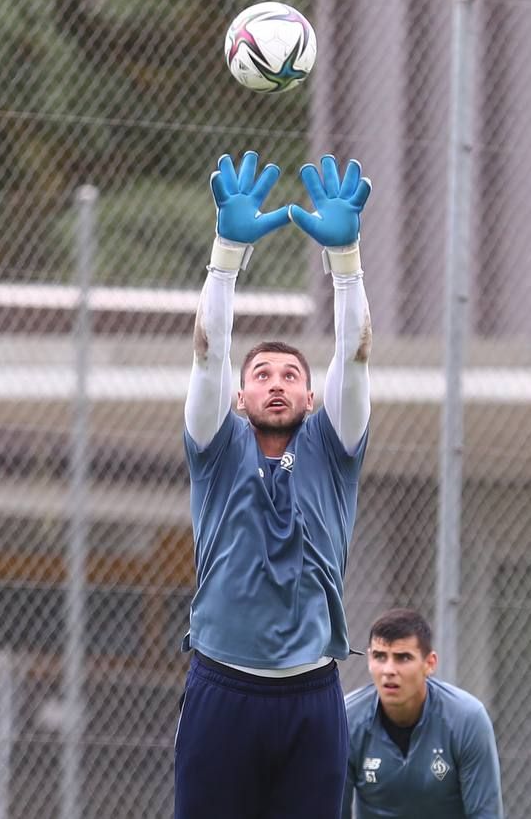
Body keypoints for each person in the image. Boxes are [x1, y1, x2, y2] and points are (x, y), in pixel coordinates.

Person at [174, 150, 373, 819]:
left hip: (309, 695)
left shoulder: (331, 446)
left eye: (291, 374)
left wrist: (344, 265)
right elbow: (207, 348)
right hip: (220, 689)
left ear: (312, 398)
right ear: (238, 396)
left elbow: (354, 353)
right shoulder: (216, 446)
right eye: (261, 373)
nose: (277, 382)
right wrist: (225, 252)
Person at [343, 608, 504, 818]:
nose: (389, 670)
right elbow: (332, 810)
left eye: (403, 658)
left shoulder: (467, 719)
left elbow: (485, 814)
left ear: (430, 664)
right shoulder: (346, 720)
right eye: (380, 656)